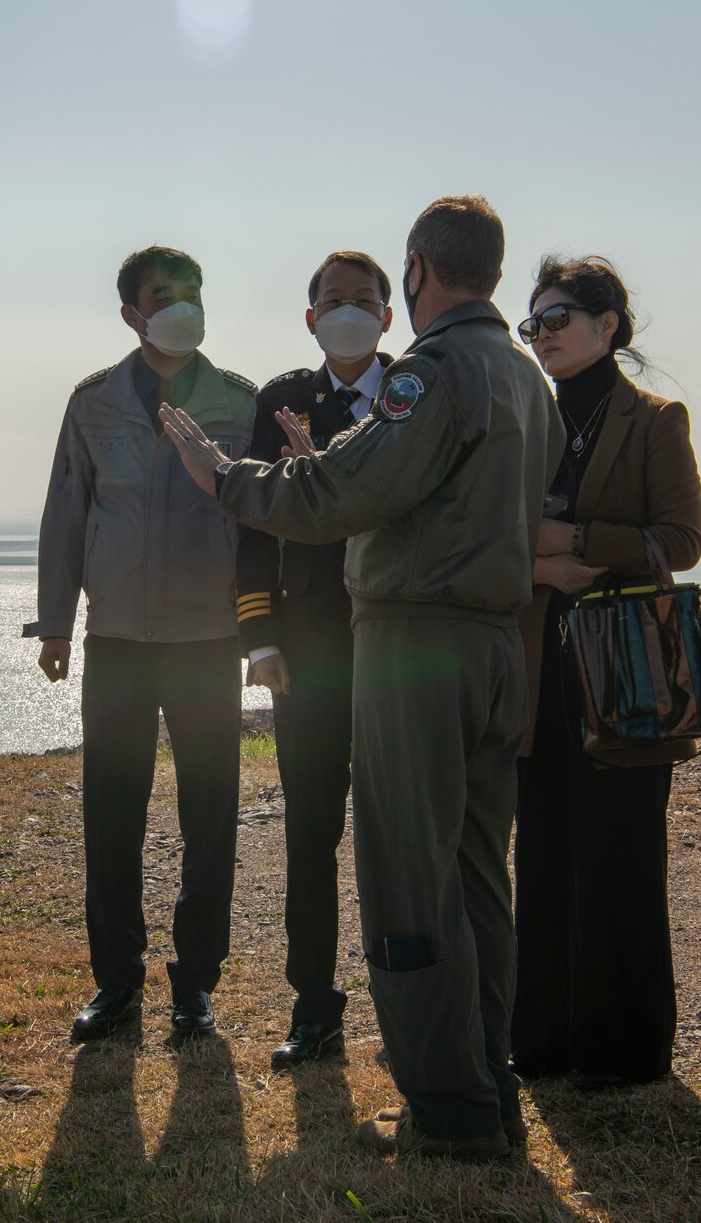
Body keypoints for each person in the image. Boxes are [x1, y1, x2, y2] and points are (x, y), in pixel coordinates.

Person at [161, 196, 565, 1161]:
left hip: (417, 647)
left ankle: (448, 1108)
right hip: (499, 645)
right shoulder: (525, 376)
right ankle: (488, 1084)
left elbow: (347, 489)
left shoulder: (430, 373)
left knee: (406, 881)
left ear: (417, 272)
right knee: (476, 879)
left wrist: (226, 476)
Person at [25, 245, 257, 1044]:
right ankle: (116, 981)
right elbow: (66, 510)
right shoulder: (92, 403)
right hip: (117, 639)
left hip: (206, 637)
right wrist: (57, 621)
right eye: (165, 295)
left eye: (192, 291)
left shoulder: (239, 401)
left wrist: (263, 631)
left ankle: (195, 984)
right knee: (112, 814)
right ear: (131, 311)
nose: (182, 305)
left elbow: (263, 525)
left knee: (211, 814)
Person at [507, 255, 701, 1090]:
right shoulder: (524, 421)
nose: (542, 335)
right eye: (532, 322)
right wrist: (535, 556)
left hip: (623, 664)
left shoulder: (656, 419)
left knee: (621, 852)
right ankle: (540, 1041)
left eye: (556, 317)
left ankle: (623, 1050)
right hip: (532, 661)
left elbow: (681, 540)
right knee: (543, 851)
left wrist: (579, 541)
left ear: (607, 323)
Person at [233, 249, 396, 1068]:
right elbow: (255, 520)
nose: (348, 311)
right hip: (307, 650)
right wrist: (259, 637)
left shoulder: (415, 393)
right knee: (310, 833)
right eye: (333, 299)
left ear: (389, 316)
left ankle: (413, 1001)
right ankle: (314, 1003)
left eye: (364, 299)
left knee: (402, 831)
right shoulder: (284, 398)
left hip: (400, 647)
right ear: (309, 318)